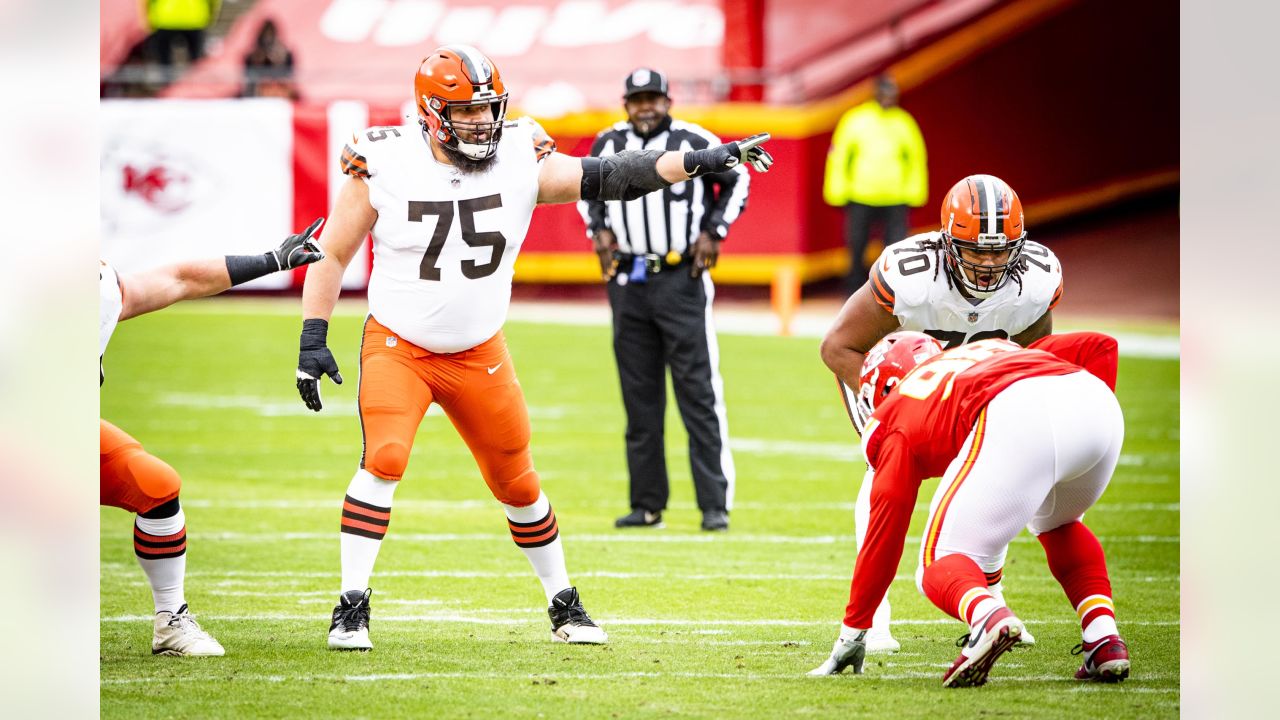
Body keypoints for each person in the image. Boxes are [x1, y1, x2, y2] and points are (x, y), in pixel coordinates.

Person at [292, 45, 773, 651]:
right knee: (385, 458)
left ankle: (564, 603)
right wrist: (314, 334)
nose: (483, 123)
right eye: (467, 112)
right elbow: (331, 252)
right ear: (431, 112)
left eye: (489, 109)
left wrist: (702, 159)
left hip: (478, 351)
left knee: (518, 482)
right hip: (399, 344)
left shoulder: (519, 153)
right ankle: (351, 605)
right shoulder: (386, 160)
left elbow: (615, 176)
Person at [818, 173, 1062, 653]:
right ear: (948, 243)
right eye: (976, 250)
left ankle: (991, 602)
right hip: (893, 379)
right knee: (888, 478)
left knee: (995, 480)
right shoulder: (912, 275)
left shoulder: (1035, 281)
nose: (990, 262)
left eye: (1000, 250)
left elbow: (1035, 362)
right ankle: (873, 617)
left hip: (969, 385)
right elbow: (839, 347)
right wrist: (902, 412)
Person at [809, 330, 1131, 687]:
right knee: (1058, 522)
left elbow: (885, 530)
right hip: (1095, 403)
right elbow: (1101, 346)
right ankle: (1103, 636)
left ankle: (987, 618)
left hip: (1018, 409)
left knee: (937, 561)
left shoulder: (895, 413)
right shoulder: (988, 348)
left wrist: (853, 633)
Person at [102, 218, 325, 656]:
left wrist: (273, 261)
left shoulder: (99, 289)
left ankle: (170, 620)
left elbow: (180, 279)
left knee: (156, 486)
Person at [577, 68, 749, 532]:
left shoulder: (694, 139)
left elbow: (740, 177)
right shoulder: (606, 143)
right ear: (625, 103)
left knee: (698, 393)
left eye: (654, 98)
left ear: (669, 101)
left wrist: (715, 231)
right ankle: (647, 505)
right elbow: (581, 189)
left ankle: (714, 504)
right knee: (640, 398)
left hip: (680, 278)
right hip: (628, 279)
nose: (646, 106)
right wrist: (600, 230)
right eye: (638, 99)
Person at [823, 74, 928, 294]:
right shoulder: (856, 120)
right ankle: (853, 294)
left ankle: (893, 292)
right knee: (856, 247)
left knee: (896, 250)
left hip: (896, 197)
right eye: (886, 93)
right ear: (876, 93)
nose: (890, 98)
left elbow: (916, 158)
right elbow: (840, 156)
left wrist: (915, 193)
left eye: (893, 94)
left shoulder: (903, 122)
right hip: (861, 195)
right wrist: (836, 191)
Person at [143, 0, 221, 69]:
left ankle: (168, 83)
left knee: (164, 61)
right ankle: (194, 83)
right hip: (195, 18)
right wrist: (210, 18)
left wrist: (149, 20)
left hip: (165, 18)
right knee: (196, 61)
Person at [241, 19, 296, 99]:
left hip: (279, 91)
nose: (268, 39)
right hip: (257, 93)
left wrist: (278, 61)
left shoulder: (284, 53)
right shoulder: (253, 55)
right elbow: (248, 75)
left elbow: (289, 75)